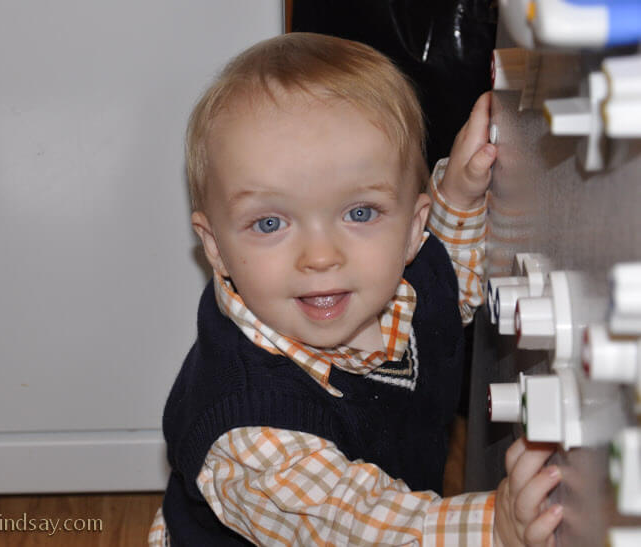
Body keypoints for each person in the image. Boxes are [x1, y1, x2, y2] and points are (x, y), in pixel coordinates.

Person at [148, 32, 563, 546]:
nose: (321, 257)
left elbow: (441, 282)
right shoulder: (251, 432)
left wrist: (456, 194)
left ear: (413, 228)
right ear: (214, 245)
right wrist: (494, 530)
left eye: (360, 212)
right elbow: (360, 526)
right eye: (271, 223)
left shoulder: (392, 282)